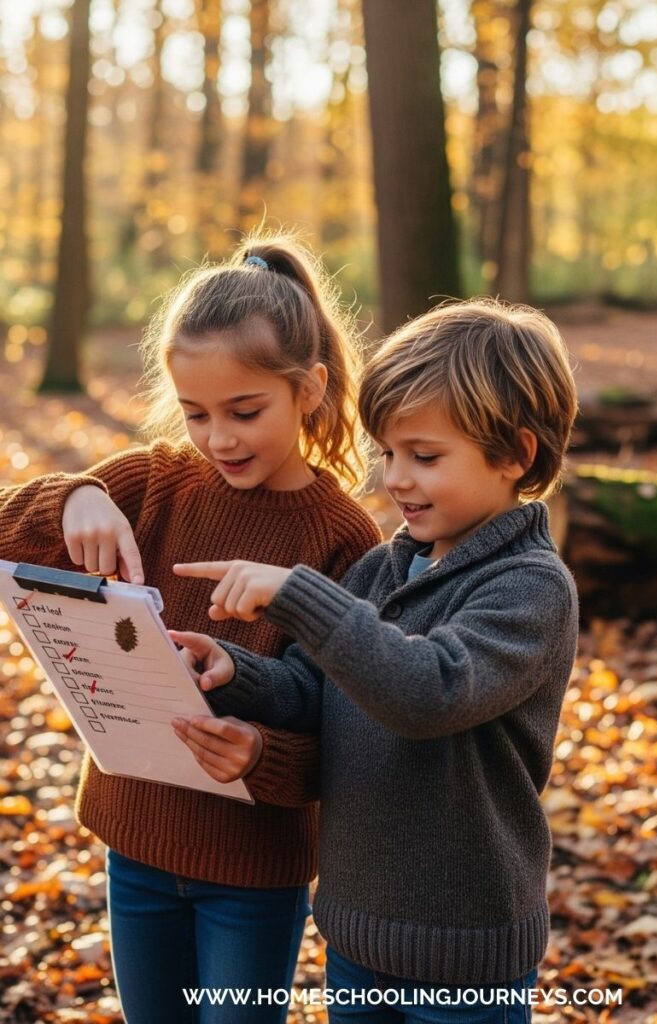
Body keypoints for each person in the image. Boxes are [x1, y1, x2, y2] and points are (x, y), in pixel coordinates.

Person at [0, 233, 381, 1024]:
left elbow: (348, 725)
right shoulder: (155, 481)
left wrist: (261, 756)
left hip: (252, 865)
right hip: (133, 839)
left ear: (307, 390)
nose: (218, 438)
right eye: (196, 413)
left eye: (245, 411)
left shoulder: (342, 539)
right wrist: (72, 496)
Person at [170, 298, 580, 1024]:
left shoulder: (528, 588)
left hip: (463, 955)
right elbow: (317, 690)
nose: (396, 478)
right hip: (356, 934)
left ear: (515, 454)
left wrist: (301, 596)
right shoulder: (384, 569)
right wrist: (236, 671)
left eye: (424, 457)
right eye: (387, 453)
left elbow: (426, 692)